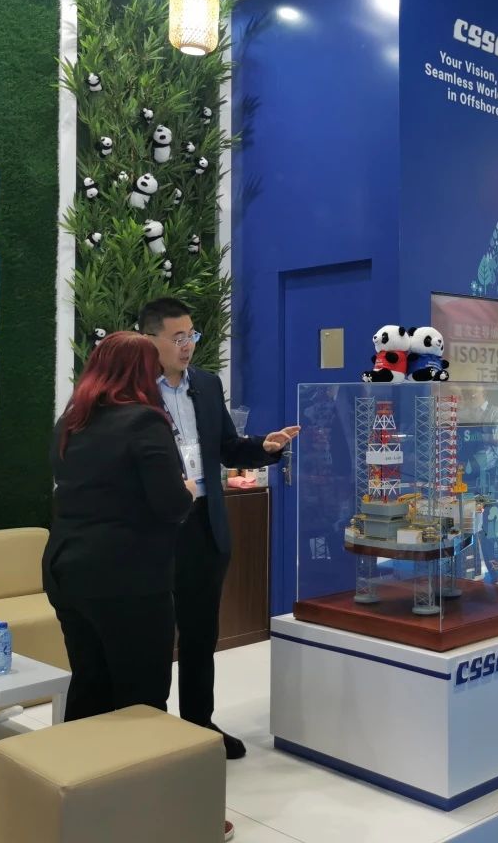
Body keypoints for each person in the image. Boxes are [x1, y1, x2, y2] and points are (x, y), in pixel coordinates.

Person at [139, 298, 299, 761]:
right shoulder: (134, 391)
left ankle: (199, 723)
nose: (187, 345)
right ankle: (148, 731)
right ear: (150, 340)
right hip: (155, 528)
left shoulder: (206, 385)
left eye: (192, 335)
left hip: (204, 522)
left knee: (200, 632)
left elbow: (227, 447)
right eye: (177, 337)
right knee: (152, 636)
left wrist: (264, 447)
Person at [46, 331, 197, 722]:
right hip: (127, 578)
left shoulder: (71, 421)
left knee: (89, 683)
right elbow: (170, 504)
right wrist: (188, 491)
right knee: (141, 696)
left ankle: (79, 761)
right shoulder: (144, 421)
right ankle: (137, 763)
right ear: (143, 372)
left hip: (67, 569)